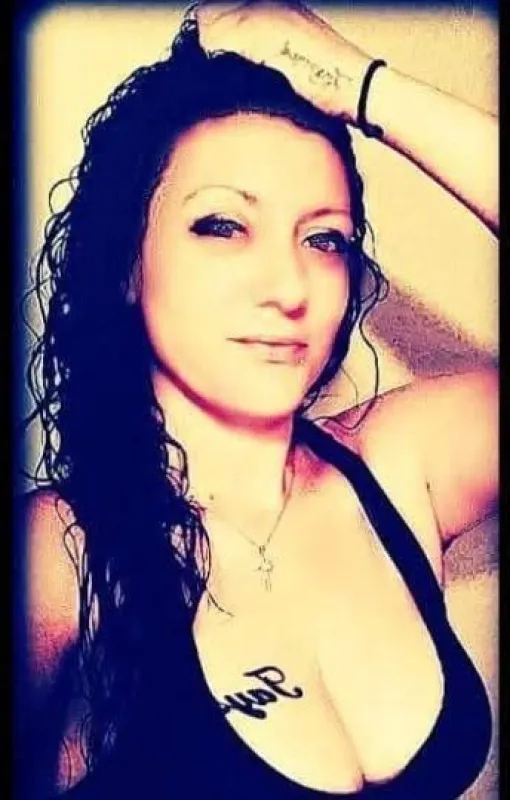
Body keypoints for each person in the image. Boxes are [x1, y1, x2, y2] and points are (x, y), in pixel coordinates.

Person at [15, 2, 498, 798]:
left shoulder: (398, 464)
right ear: (127, 264)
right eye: (223, 226)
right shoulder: (58, 558)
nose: (289, 286)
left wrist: (363, 86)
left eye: (325, 239)